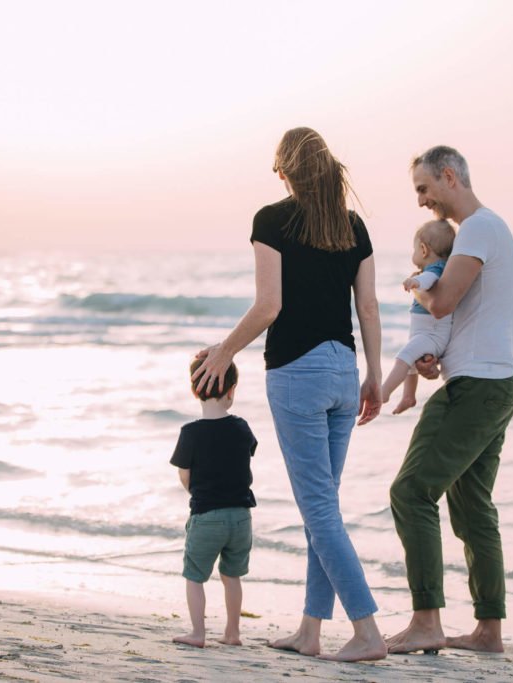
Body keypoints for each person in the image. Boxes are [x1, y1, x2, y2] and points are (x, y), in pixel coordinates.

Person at [191, 127, 386, 662]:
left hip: (298, 373)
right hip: (344, 370)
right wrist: (373, 373)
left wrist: (225, 351)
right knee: (323, 509)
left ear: (285, 171)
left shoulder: (271, 220)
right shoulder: (352, 225)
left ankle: (367, 630)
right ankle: (310, 631)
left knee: (319, 510)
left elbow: (268, 306)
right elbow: (368, 308)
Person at [385, 145, 513, 655]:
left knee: (411, 492)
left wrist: (416, 288)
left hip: (477, 387)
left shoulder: (479, 228)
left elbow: (441, 302)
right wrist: (434, 359)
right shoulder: (486, 230)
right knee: (472, 509)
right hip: (494, 381)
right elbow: (466, 316)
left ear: (449, 176)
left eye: (424, 188)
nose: (422, 201)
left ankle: (426, 621)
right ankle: (488, 631)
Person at [170, 358, 257, 649]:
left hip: (207, 515)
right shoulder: (242, 427)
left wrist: (197, 490)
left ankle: (198, 633)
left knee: (195, 576)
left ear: (194, 390)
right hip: (241, 516)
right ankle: (233, 633)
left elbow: (185, 475)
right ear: (231, 391)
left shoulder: (190, 433)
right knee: (232, 575)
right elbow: (244, 457)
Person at [380, 219, 456, 414]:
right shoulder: (441, 267)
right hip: (426, 332)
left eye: (414, 249)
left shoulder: (436, 269)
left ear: (423, 250)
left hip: (431, 334)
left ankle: (384, 392)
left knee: (404, 357)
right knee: (411, 362)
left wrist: (416, 282)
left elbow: (430, 280)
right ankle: (408, 397)